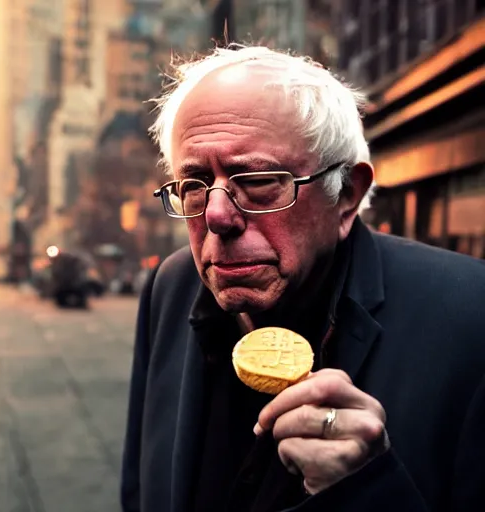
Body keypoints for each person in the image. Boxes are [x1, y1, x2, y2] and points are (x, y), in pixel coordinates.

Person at [120, 45, 485, 512]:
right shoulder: (169, 287)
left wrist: (366, 489)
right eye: (193, 185)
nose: (215, 215)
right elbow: (140, 487)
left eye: (256, 181)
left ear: (347, 195)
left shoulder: (470, 321)